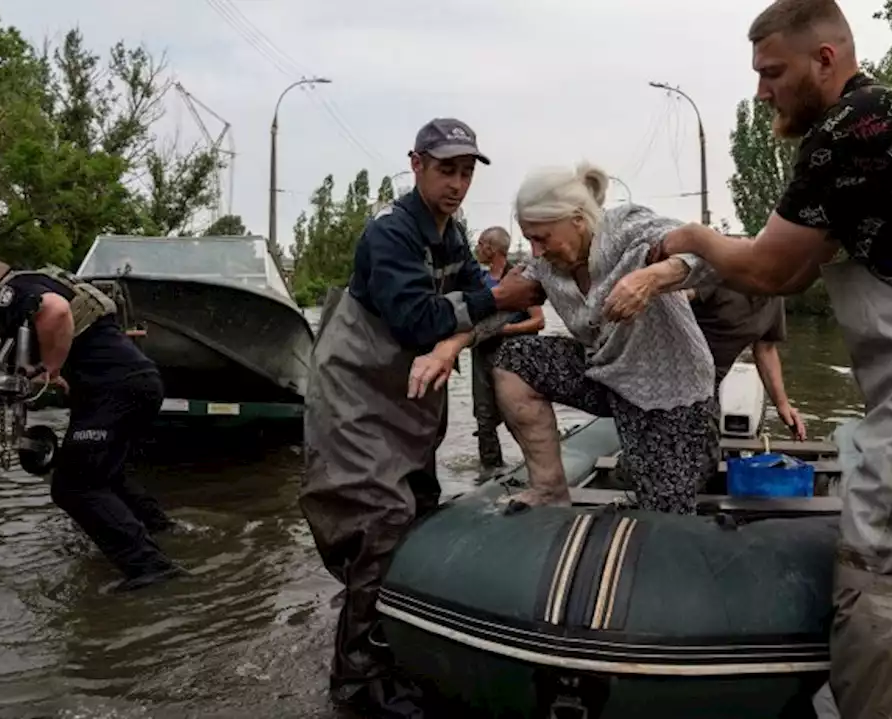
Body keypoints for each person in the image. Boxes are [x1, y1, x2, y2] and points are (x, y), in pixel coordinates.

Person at [624, 1, 892, 715]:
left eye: (773, 72)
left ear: (825, 59)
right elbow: (798, 265)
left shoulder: (847, 131)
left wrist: (690, 239)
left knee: (877, 567)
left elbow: (770, 270)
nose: (762, 91)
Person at [297, 118, 537, 714]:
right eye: (445, 169)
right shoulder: (390, 232)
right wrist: (493, 301)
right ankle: (356, 686)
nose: (456, 183)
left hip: (405, 396)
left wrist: (481, 313)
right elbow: (415, 319)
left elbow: (467, 310)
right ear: (416, 164)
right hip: (355, 395)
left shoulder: (451, 235)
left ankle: (398, 648)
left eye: (465, 172)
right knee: (378, 522)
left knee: (419, 514)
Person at [453, 161, 721, 515]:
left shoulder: (625, 227)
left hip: (670, 392)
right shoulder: (546, 266)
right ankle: (548, 489)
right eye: (528, 238)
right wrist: (449, 349)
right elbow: (499, 308)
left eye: (541, 237)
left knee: (663, 515)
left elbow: (710, 254)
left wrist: (652, 277)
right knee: (514, 359)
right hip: (606, 376)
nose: (534, 251)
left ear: (577, 219)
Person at [0, 254, 180, 592]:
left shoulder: (13, 292)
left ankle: (151, 567)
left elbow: (57, 311)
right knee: (106, 476)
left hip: (113, 390)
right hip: (136, 383)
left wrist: (52, 369)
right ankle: (163, 531)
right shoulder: (37, 279)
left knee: (73, 487)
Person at [686, 284, 806, 441]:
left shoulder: (774, 298)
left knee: (705, 452)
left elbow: (766, 349)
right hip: (669, 378)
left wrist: (782, 404)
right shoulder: (719, 273)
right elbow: (674, 295)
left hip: (708, 388)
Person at [470, 226, 545, 469]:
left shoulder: (518, 279)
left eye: (480, 244)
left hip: (512, 355)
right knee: (483, 418)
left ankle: (536, 466)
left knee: (518, 415)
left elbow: (538, 320)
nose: (477, 248)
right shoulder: (478, 281)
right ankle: (490, 472)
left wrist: (503, 330)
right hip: (481, 355)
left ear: (492, 249)